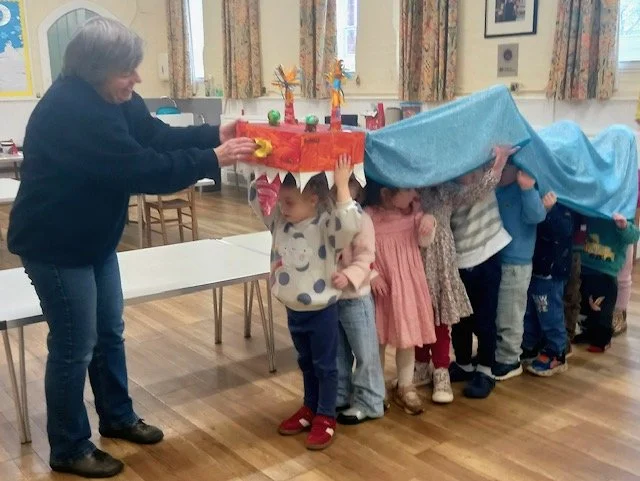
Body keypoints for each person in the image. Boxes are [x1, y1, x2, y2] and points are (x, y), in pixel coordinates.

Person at [7, 17, 257, 479]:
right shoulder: (72, 110)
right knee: (74, 345)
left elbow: (155, 136)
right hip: (56, 244)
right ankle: (69, 447)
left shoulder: (113, 98)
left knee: (108, 332)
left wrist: (213, 135)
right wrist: (211, 159)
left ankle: (117, 417)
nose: (137, 79)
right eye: (127, 70)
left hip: (94, 239)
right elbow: (142, 169)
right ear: (96, 68)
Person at [249, 156, 361, 450]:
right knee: (306, 362)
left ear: (313, 200)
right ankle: (310, 407)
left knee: (325, 366)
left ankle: (326, 415)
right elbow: (258, 199)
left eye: (289, 202)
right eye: (281, 202)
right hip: (294, 308)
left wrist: (342, 186)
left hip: (321, 310)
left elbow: (350, 224)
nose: (282, 208)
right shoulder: (279, 221)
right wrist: (262, 165)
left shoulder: (327, 226)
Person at [413, 145, 513, 404]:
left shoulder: (473, 180)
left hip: (487, 255)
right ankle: (465, 362)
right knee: (459, 318)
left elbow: (480, 187)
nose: (467, 176)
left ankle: (486, 370)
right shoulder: (442, 190)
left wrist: (498, 162)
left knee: (485, 318)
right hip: (458, 261)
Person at [365, 181, 437, 415]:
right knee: (378, 338)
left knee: (407, 337)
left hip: (406, 286)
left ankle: (406, 385)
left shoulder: (414, 213)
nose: (415, 193)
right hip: (381, 288)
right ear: (386, 193)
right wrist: (372, 275)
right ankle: (376, 387)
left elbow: (424, 242)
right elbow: (357, 249)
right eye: (408, 189)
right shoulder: (369, 216)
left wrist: (429, 224)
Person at [333, 176, 386, 425]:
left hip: (356, 298)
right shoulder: (326, 217)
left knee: (365, 352)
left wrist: (349, 275)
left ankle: (370, 401)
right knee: (338, 352)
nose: (339, 190)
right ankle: (340, 394)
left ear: (359, 191)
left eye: (347, 184)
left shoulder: (362, 219)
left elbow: (366, 257)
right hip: (332, 298)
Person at [493, 166, 546, 380]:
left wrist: (527, 189)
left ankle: (509, 359)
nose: (500, 171)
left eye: (506, 167)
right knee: (498, 311)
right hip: (497, 259)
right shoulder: (496, 188)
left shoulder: (523, 189)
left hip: (516, 263)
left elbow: (537, 215)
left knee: (510, 313)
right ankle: (499, 352)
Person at [521, 192, 573, 376]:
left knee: (550, 313)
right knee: (530, 312)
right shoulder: (535, 195)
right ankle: (531, 345)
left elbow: (565, 230)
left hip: (551, 271)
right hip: (534, 266)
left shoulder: (565, 205)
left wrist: (550, 210)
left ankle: (556, 352)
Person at [573, 214, 640, 352]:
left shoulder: (623, 211)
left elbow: (633, 236)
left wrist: (624, 226)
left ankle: (602, 340)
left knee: (603, 308)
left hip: (606, 270)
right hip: (585, 264)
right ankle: (588, 332)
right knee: (585, 304)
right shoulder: (592, 210)